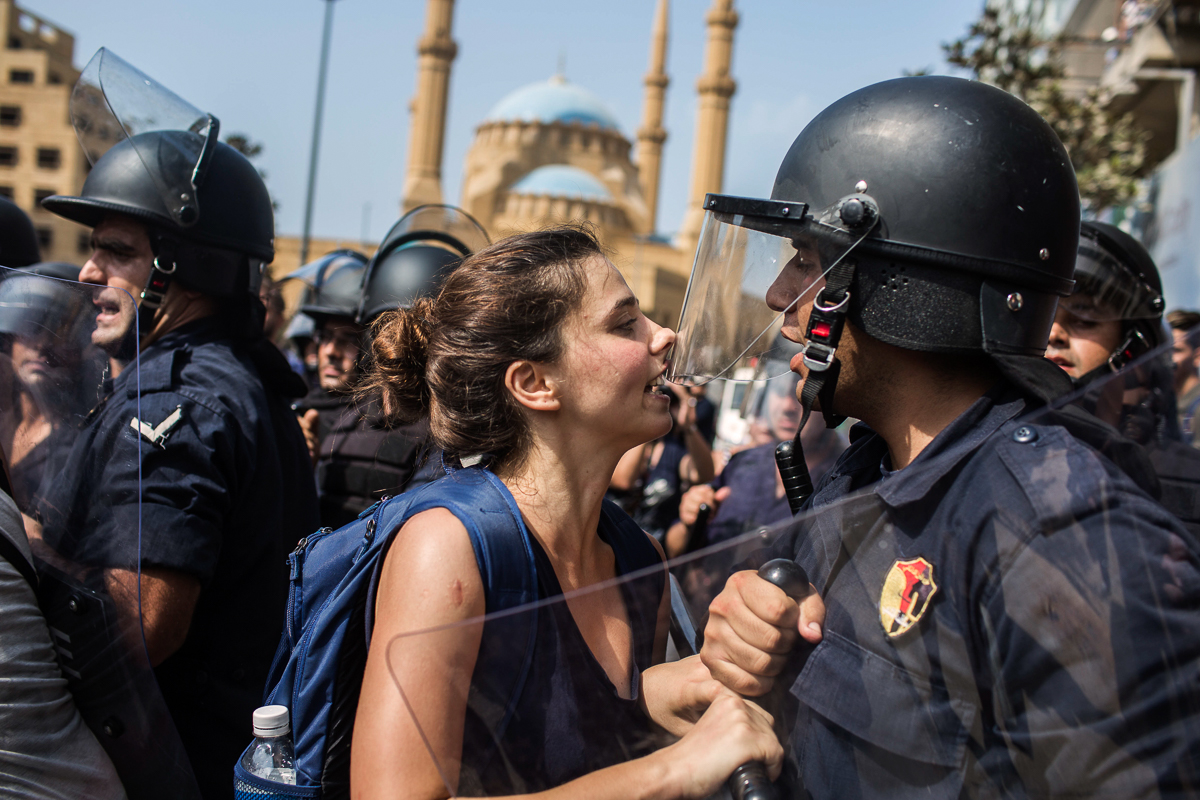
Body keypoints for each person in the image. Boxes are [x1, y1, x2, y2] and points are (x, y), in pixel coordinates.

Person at [678, 76, 1200, 797]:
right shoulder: (868, 473)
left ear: (901, 285)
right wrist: (752, 636)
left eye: (807, 259)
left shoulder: (1056, 533)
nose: (777, 297)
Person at [351, 226, 782, 799]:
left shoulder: (639, 561)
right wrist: (676, 769)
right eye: (625, 323)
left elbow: (572, 746)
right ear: (535, 383)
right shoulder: (448, 548)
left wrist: (671, 692)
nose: (665, 335)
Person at [30, 50, 319, 799]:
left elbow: (143, 625)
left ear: (181, 269)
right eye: (94, 250)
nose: (90, 272)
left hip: (164, 769)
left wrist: (25, 547)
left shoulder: (177, 401)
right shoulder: (237, 377)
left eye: (117, 253)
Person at [609, 383, 715, 542]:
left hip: (650, 550)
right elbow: (623, 481)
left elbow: (704, 474)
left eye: (671, 400)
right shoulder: (620, 438)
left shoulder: (673, 451)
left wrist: (689, 425)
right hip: (611, 540)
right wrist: (646, 419)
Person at [1168, 309, 1200, 444]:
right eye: (1162, 350)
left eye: (1175, 350)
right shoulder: (1163, 404)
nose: (1167, 358)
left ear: (1197, 356)